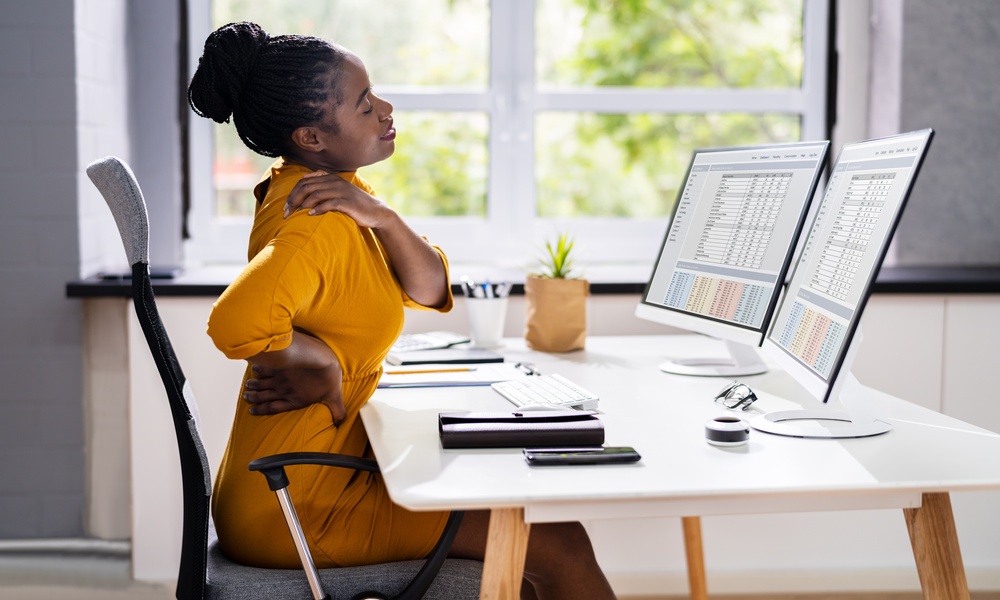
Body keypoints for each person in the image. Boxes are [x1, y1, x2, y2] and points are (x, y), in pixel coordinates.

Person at [188, 21, 615, 599]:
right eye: (364, 104)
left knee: (521, 520)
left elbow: (429, 284)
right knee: (560, 544)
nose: (385, 108)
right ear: (312, 137)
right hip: (300, 508)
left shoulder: (328, 193)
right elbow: (234, 322)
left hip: (298, 479)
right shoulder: (318, 222)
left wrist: (384, 216)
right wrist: (321, 363)